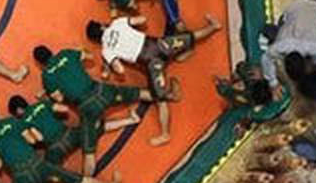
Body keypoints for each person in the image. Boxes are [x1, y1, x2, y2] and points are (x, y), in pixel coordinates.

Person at [86, 13, 221, 112]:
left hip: (151, 62)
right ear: (102, 25)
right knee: (189, 37)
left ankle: (172, 95)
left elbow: (120, 70)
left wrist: (112, 65)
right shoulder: (117, 23)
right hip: (158, 45)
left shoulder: (106, 51)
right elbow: (142, 19)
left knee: (158, 95)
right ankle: (213, 27)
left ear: (96, 40)